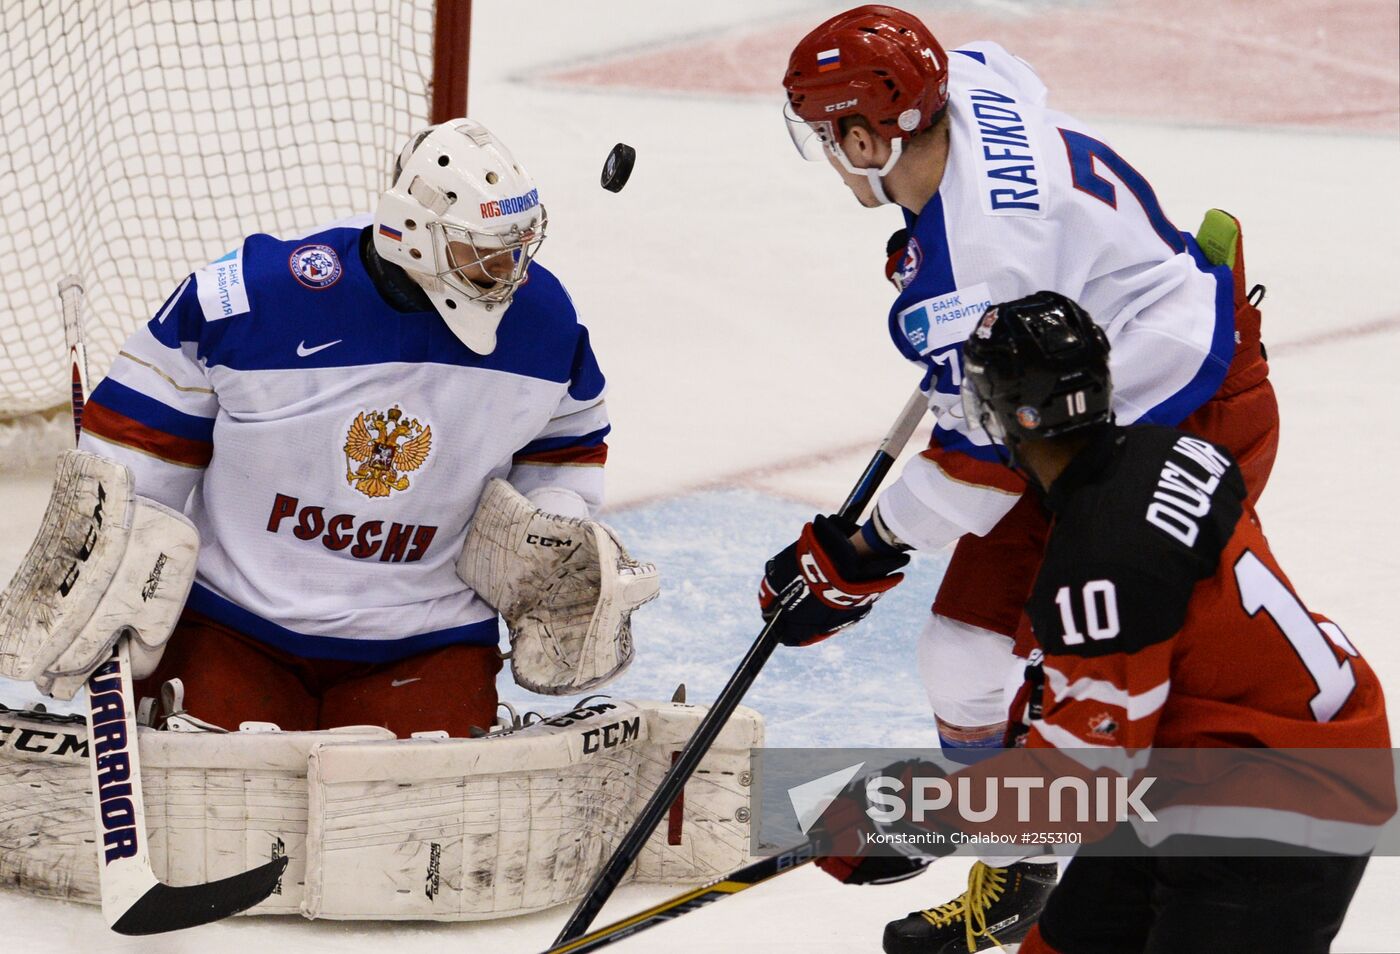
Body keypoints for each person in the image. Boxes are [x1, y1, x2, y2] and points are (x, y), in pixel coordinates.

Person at [769, 4, 1277, 946]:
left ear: (867, 133)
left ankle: (1061, 872)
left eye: (827, 136)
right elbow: (999, 68)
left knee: (1096, 682)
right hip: (1099, 399)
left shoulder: (982, 274)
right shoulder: (963, 84)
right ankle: (1017, 873)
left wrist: (856, 559)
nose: (827, 158)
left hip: (1178, 416)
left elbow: (978, 469)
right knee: (963, 650)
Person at [0, 118, 656, 738]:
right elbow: (138, 440)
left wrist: (555, 519)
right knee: (213, 829)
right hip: (236, 625)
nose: (510, 273)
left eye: (518, 248)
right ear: (413, 232)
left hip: (427, 637)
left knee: (431, 846)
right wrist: (110, 551)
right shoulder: (253, 299)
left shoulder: (543, 324)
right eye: (483, 254)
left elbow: (566, 443)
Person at [805, 290, 1389, 953]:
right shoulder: (1168, 452)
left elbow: (1080, 782)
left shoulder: (1101, 563)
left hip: (1285, 803)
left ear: (1017, 415)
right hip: (1210, 762)